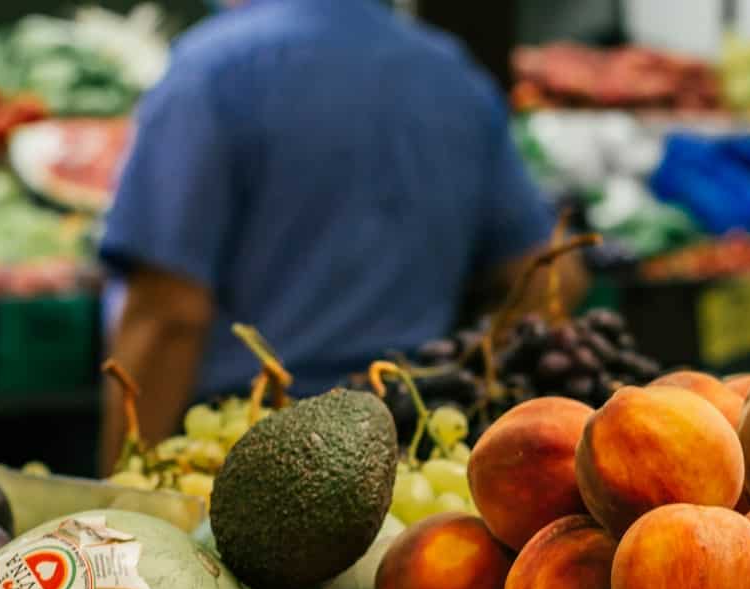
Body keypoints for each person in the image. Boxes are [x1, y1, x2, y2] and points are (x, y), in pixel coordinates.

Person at [97, 0, 583, 470]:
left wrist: (117, 496)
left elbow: (168, 315)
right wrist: (464, 385)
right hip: (407, 454)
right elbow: (554, 276)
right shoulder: (452, 74)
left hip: (237, 457)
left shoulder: (210, 71)